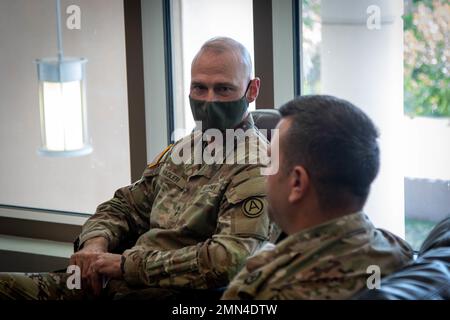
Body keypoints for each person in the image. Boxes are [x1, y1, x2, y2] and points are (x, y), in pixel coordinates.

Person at [0, 37, 278, 300]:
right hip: (109, 282)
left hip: (159, 293)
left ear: (251, 90)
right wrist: (95, 243)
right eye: (199, 88)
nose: (209, 100)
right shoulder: (185, 148)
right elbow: (125, 205)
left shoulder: (255, 165)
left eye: (223, 88)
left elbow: (227, 260)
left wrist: (125, 265)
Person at [221, 95, 414, 300]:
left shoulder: (265, 290)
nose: (264, 172)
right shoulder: (400, 254)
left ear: (297, 183)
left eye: (270, 162)